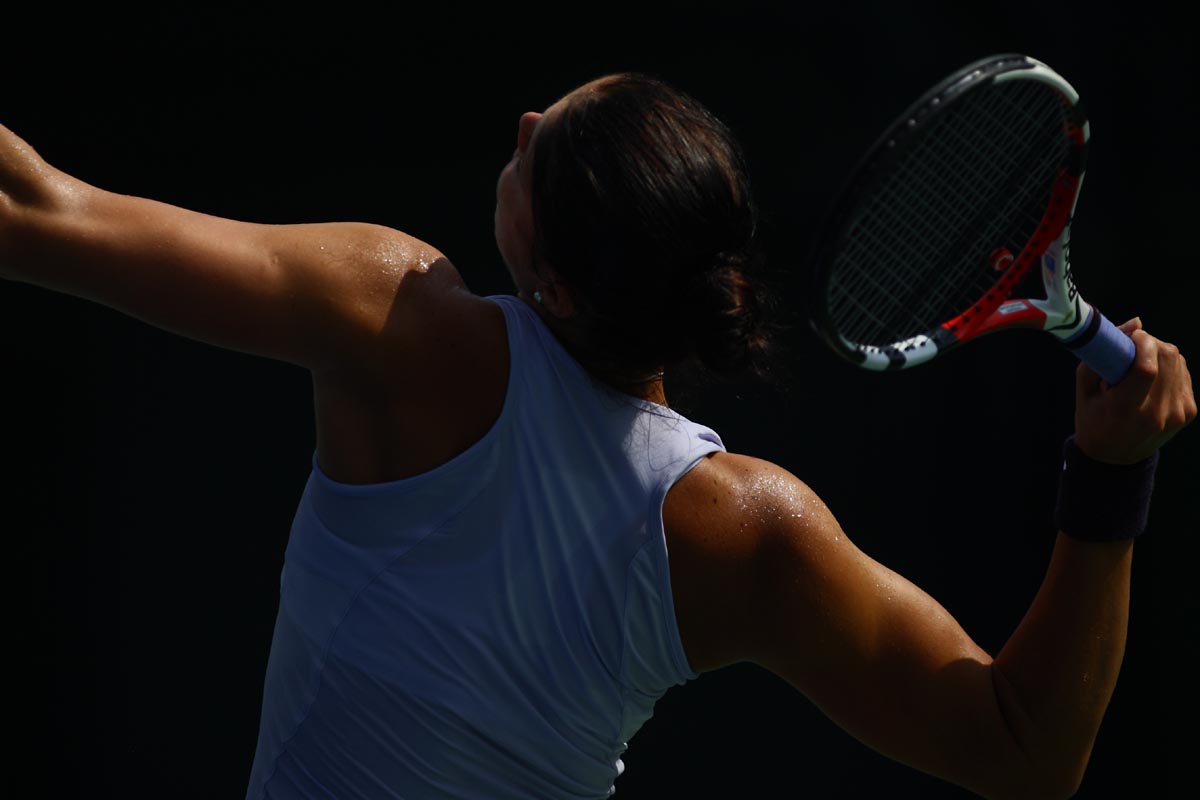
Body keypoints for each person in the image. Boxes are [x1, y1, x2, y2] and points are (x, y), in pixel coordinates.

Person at [2, 72, 1193, 800]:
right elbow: (1027, 749)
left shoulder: (397, 316)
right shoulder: (741, 528)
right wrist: (1111, 478)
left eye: (541, 146)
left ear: (556, 286)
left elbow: (38, 211)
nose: (522, 120)